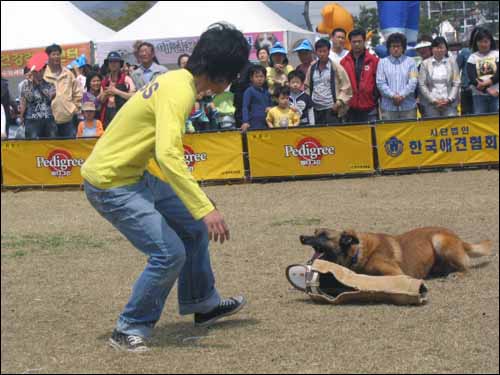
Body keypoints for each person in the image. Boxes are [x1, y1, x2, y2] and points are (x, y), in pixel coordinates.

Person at [81, 23, 249, 353]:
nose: (231, 83)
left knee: (193, 230)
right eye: (232, 75)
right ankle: (128, 327)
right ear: (222, 73)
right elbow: (168, 153)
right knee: (168, 253)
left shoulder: (176, 80)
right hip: (111, 184)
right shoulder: (179, 91)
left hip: (134, 176)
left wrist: (196, 203)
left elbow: (156, 147)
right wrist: (204, 207)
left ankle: (203, 304)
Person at [306, 38, 352, 125]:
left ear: (329, 51)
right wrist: (309, 102)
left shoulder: (336, 68)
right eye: (320, 51)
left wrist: (338, 103)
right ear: (316, 52)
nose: (322, 54)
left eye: (324, 51)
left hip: (331, 109)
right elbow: (307, 86)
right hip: (315, 109)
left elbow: (347, 87)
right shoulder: (312, 68)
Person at [43, 44, 83, 138]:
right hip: (50, 120)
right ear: (48, 57)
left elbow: (77, 92)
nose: (56, 57)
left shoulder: (68, 74)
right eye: (53, 54)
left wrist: (74, 108)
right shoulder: (43, 74)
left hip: (68, 119)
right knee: (52, 150)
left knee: (70, 148)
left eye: (58, 54)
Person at [376, 33, 418, 120]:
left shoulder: (411, 62)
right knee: (390, 133)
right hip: (389, 108)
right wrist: (393, 96)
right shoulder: (382, 63)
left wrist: (402, 96)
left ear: (403, 47)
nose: (395, 49)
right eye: (393, 46)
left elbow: (413, 82)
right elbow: (380, 83)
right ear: (388, 48)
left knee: (409, 133)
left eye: (398, 46)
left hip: (408, 107)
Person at [341, 28, 379, 123]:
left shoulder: (374, 61)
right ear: (350, 42)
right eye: (354, 42)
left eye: (359, 41)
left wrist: (374, 97)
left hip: (369, 107)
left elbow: (378, 82)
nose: (357, 44)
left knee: (371, 136)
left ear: (364, 41)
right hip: (350, 109)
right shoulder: (343, 62)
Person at [418, 37, 460, 118]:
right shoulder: (425, 64)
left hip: (449, 104)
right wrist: (433, 100)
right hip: (431, 104)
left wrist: (449, 99)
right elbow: (422, 84)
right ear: (432, 49)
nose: (439, 50)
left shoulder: (452, 62)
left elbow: (456, 82)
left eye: (441, 47)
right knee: (432, 128)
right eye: (436, 47)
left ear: (446, 49)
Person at [20, 55, 57, 139]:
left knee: (51, 143)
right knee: (33, 145)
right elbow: (26, 100)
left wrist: (39, 85)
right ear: (32, 72)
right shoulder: (26, 85)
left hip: (48, 119)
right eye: (36, 71)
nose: (39, 74)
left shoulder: (50, 84)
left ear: (44, 70)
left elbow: (49, 98)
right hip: (31, 120)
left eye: (41, 71)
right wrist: (21, 116)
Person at [467, 28, 499, 114]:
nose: (483, 44)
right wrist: (487, 90)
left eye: (486, 41)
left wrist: (487, 82)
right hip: (479, 96)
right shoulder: (472, 57)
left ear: (490, 42)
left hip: (496, 94)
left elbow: (498, 74)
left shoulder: (496, 54)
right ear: (476, 43)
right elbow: (473, 78)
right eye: (480, 41)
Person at [100, 51, 136, 128]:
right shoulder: (104, 81)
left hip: (123, 114)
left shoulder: (126, 79)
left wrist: (117, 91)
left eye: (116, 61)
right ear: (108, 64)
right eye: (111, 62)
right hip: (107, 114)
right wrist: (106, 94)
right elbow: (101, 100)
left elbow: (133, 96)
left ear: (120, 64)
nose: (113, 64)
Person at [456, 27, 482, 116]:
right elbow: (456, 70)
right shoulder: (464, 52)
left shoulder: (488, 53)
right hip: (466, 89)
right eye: (477, 37)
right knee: (467, 116)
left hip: (482, 90)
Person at [241, 64, 272, 132]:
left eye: (261, 76)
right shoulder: (249, 91)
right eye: (256, 76)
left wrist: (271, 108)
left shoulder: (267, 92)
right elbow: (245, 107)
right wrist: (245, 121)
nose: (259, 79)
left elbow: (271, 106)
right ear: (251, 78)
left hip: (267, 123)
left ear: (265, 78)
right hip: (254, 123)